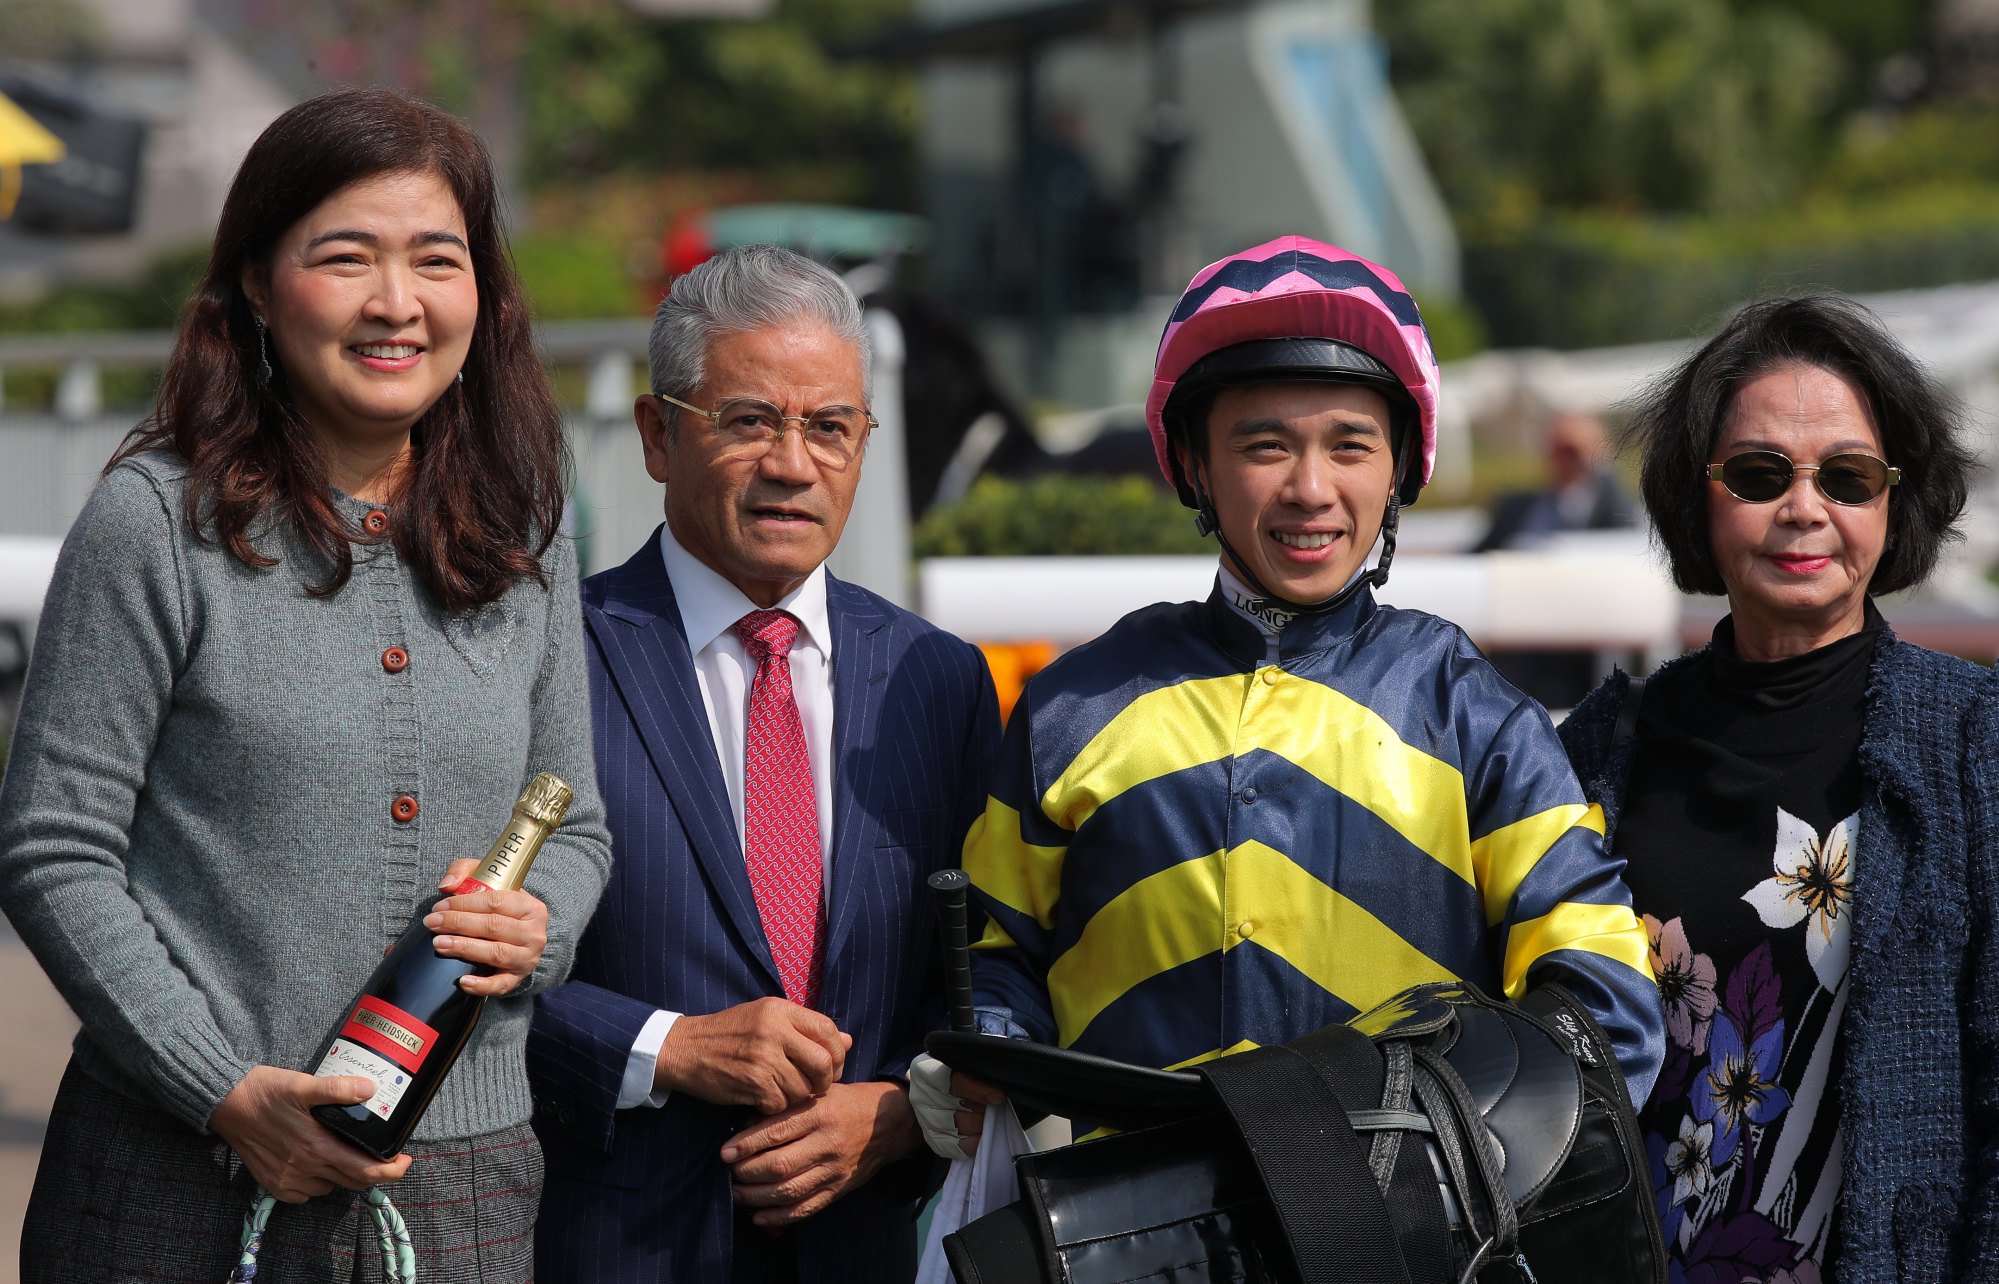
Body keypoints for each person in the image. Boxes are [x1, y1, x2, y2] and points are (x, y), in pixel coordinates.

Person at [0, 87, 611, 1282]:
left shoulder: (523, 524)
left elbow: (572, 819)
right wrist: (220, 1087)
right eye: (345, 258)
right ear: (258, 290)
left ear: (481, 293)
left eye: (437, 259)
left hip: (465, 1183)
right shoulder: (155, 523)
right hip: (176, 1174)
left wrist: (537, 926)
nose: (398, 303)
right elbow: (50, 846)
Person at [913, 236, 1664, 1163]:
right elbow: (993, 955)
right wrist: (983, 1052)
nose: (1310, 489)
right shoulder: (1074, 706)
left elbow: (1604, 1003)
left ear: (1397, 472)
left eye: (1349, 445)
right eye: (1264, 446)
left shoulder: (1478, 719)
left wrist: (1457, 1174)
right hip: (1138, 1235)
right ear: (1193, 466)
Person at [527, 244, 1000, 1283]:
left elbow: (982, 968)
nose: (794, 463)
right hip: (614, 1246)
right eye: (749, 421)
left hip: (863, 1248)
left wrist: (900, 1110)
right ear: (658, 435)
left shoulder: (938, 680)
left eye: (830, 427)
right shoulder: (546, 652)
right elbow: (458, 959)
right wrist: (667, 1047)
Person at [1557, 294, 1998, 1282]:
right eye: (1759, 475)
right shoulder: (1601, 747)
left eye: (1846, 477)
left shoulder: (1978, 743)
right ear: (1696, 496)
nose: (1804, 508)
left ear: (1895, 502)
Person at [1472, 409, 1640, 709]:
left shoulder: (1618, 513)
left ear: (1598, 455)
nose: (1562, 459)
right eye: (1555, 449)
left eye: (1572, 450)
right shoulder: (1515, 506)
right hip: (1506, 652)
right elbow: (1468, 565)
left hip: (1570, 665)